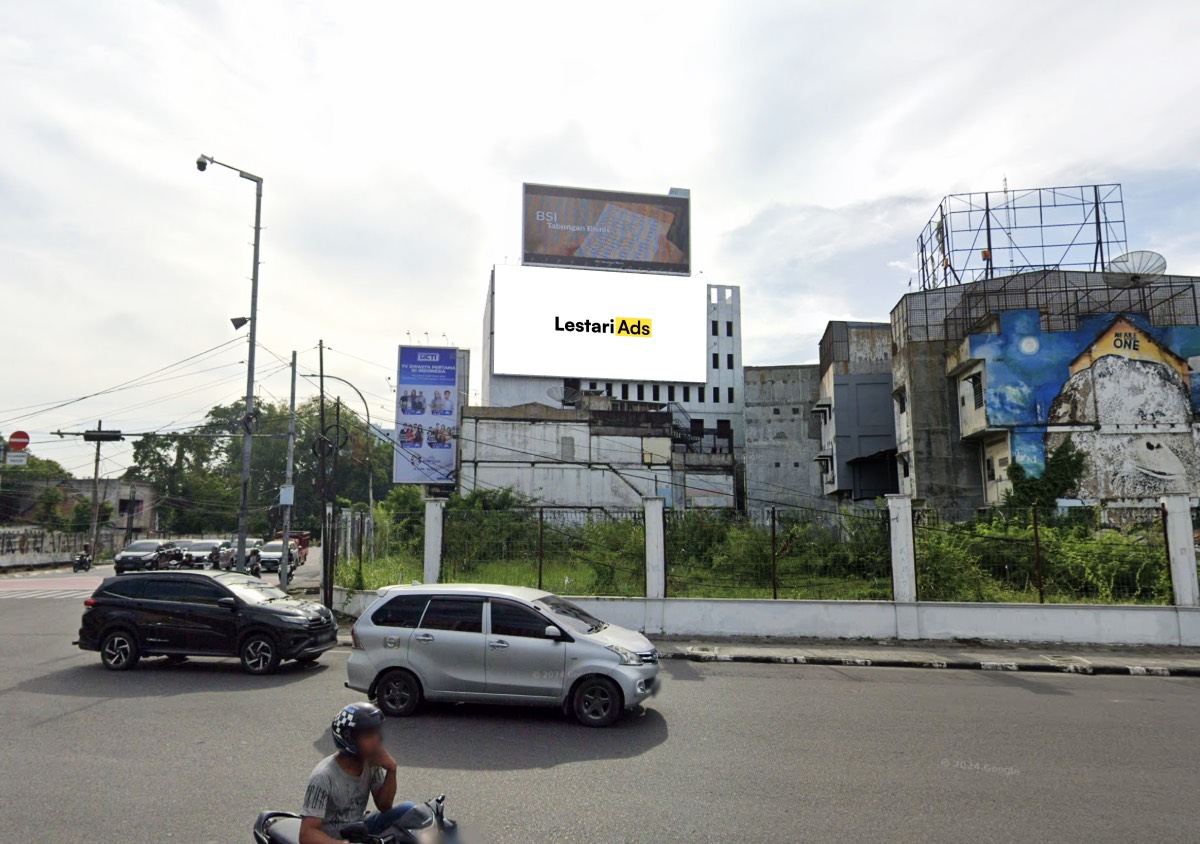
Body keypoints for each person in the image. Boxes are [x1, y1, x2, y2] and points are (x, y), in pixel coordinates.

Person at [299, 703, 412, 844]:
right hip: (333, 839)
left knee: (409, 810)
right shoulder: (323, 777)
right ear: (348, 739)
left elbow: (384, 806)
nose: (377, 740)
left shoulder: (371, 763)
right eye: (369, 735)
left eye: (377, 733)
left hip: (358, 830)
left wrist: (392, 770)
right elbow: (307, 834)